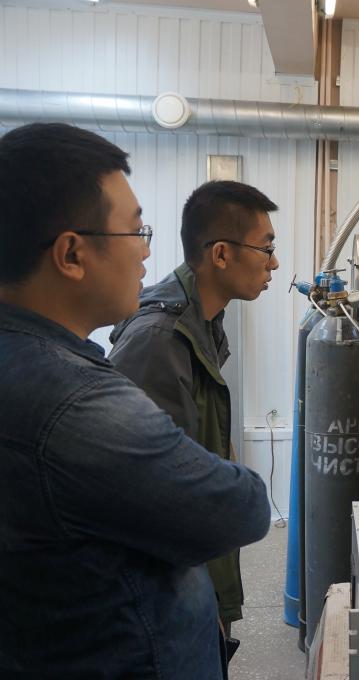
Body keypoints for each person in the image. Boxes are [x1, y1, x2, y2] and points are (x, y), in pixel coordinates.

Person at [0, 123, 270, 679]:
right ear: (71, 253)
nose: (147, 250)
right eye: (135, 230)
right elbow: (234, 508)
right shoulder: (77, 400)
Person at [108, 180, 279, 633]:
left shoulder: (201, 321)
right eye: (266, 248)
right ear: (221, 254)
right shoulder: (159, 341)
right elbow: (150, 495)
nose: (274, 263)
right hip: (168, 595)